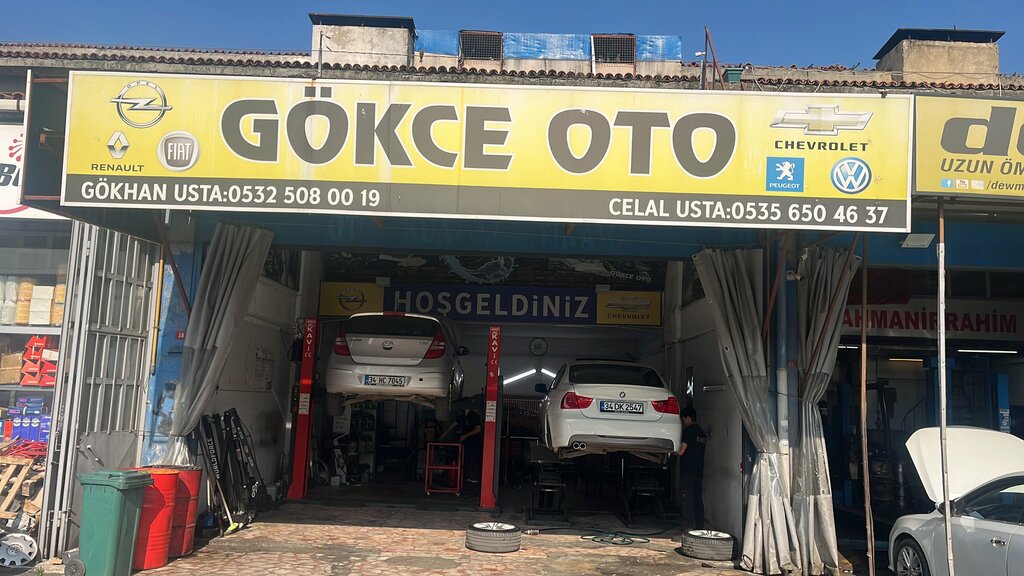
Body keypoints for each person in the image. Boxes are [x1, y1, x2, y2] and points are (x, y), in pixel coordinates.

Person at [442, 397, 484, 496]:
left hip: (474, 445)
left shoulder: (474, 415)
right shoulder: (462, 416)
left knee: (472, 467)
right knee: (466, 466)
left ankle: (473, 490)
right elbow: (453, 424)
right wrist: (443, 435)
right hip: (466, 446)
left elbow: (478, 429)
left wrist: (465, 435)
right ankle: (466, 488)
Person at [677, 405, 707, 529]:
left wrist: (670, 450)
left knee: (687, 500)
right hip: (698, 471)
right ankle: (699, 528)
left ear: (688, 418)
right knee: (697, 500)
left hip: (688, 471)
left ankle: (688, 528)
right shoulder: (701, 433)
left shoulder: (688, 432)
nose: (683, 423)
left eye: (683, 420)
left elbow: (681, 451)